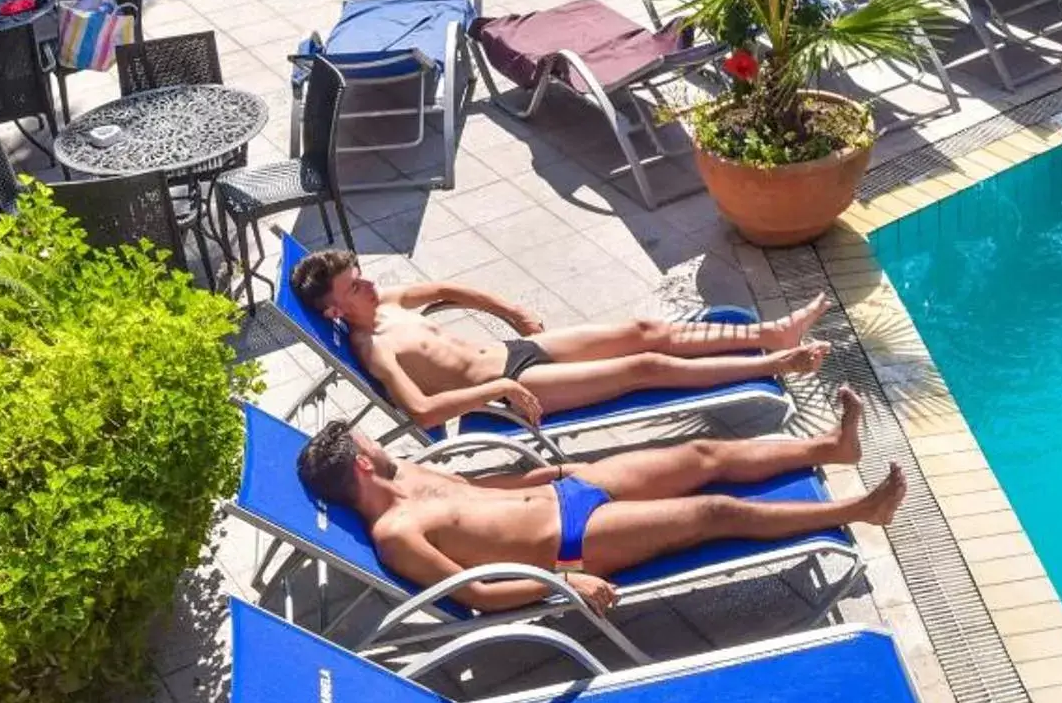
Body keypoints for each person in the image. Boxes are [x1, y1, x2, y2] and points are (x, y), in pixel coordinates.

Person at [296, 397, 907, 608]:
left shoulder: (402, 472)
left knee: (700, 455)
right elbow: (475, 593)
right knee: (714, 512)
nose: (376, 438)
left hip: (566, 491)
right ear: (358, 464)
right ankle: (859, 511)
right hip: (572, 545)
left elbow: (481, 496)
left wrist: (560, 470)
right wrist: (564, 584)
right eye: (364, 439)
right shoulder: (396, 534)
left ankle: (832, 446)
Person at [288, 247, 833, 431]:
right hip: (513, 385)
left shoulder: (392, 300)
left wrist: (513, 311)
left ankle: (768, 332)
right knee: (642, 365)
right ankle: (773, 365)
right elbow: (425, 413)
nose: (370, 281)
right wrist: (490, 394)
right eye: (355, 284)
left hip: (516, 353)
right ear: (336, 309)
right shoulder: (373, 349)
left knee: (640, 331)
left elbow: (450, 288)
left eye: (361, 272)